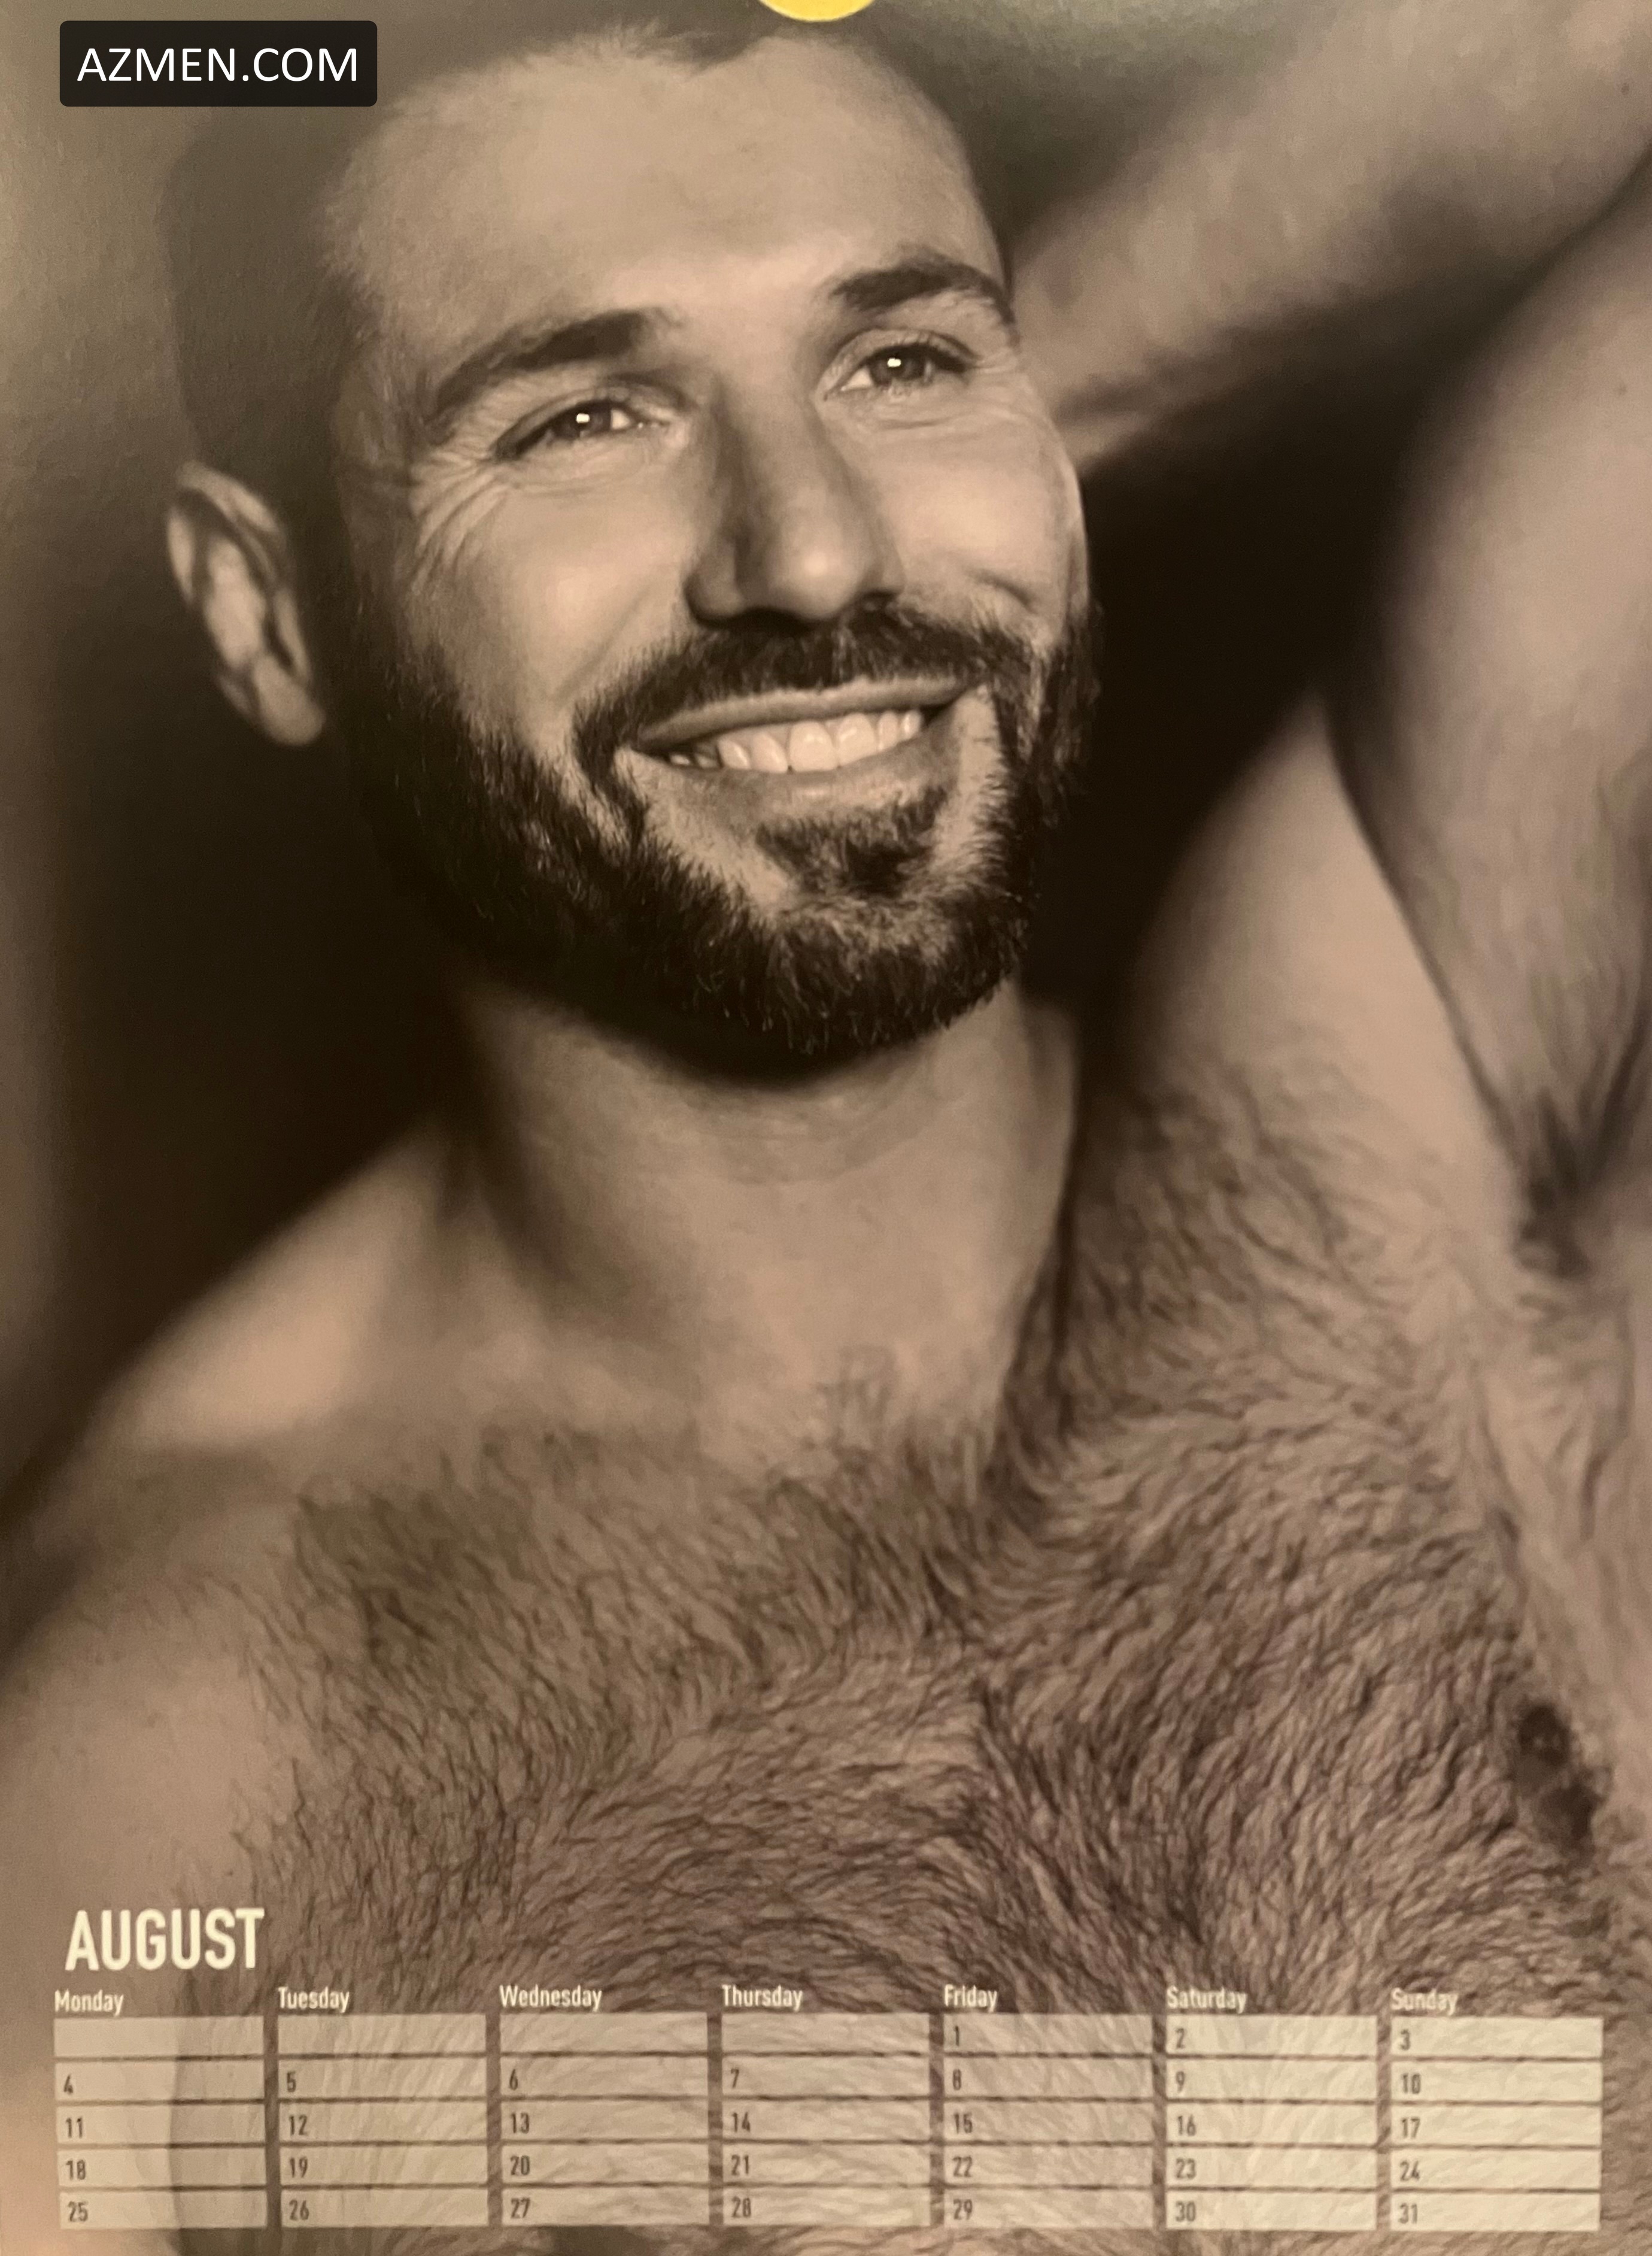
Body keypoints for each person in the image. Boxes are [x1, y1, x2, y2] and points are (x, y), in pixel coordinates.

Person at [3, 0, 1652, 2245]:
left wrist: (1027, 421)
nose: (806, 548)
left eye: (901, 360)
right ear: (269, 614)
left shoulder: (1432, 1073)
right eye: (583, 415)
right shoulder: (154, 1764)